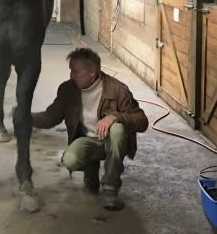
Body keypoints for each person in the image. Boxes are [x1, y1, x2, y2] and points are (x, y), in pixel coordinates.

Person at [32, 47, 148, 211]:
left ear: (92, 73)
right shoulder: (67, 89)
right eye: (70, 70)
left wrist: (115, 116)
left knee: (118, 130)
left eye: (76, 71)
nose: (71, 75)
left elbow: (142, 121)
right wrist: (28, 117)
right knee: (69, 159)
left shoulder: (117, 89)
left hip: (112, 142)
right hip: (89, 141)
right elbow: (51, 117)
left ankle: (110, 189)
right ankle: (90, 171)